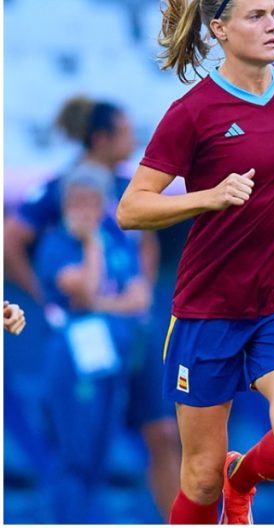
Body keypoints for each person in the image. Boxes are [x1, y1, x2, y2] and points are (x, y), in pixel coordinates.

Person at [117, 0, 274, 524]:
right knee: (197, 477)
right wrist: (207, 197)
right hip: (209, 309)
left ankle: (241, 477)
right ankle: (219, 479)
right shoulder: (193, 113)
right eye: (256, 16)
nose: (272, 26)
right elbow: (131, 207)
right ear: (220, 30)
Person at [3, 95, 179, 519]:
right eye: (124, 133)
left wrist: (140, 290)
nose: (135, 141)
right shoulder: (62, 190)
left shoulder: (126, 187)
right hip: (84, 337)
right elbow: (12, 241)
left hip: (132, 332)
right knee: (83, 449)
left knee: (163, 434)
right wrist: (50, 301)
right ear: (100, 138)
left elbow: (147, 238)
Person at [34, 163, 155, 522]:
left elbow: (140, 298)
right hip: (74, 363)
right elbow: (84, 290)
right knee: (76, 454)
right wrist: (89, 244)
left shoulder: (118, 239)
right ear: (66, 203)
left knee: (103, 451)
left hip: (113, 361)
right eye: (78, 201)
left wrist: (100, 304)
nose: (86, 209)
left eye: (94, 201)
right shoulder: (57, 244)